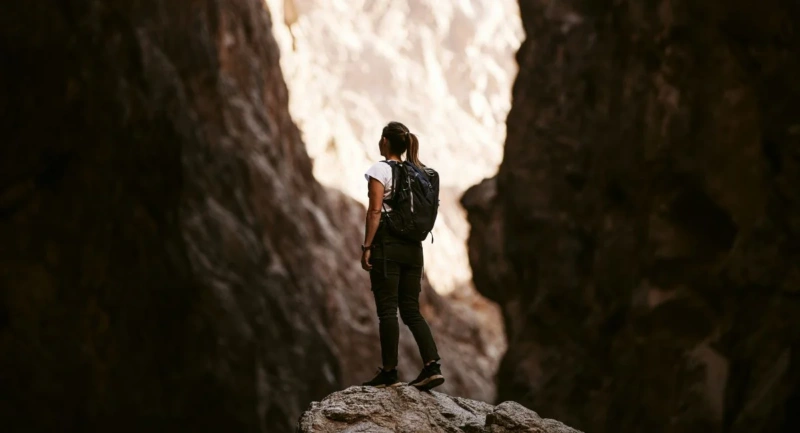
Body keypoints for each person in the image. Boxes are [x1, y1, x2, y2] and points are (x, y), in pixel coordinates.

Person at [360, 121, 444, 390]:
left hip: (387, 247)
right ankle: (432, 367)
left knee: (387, 311)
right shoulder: (418, 172)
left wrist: (366, 247)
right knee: (411, 311)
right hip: (414, 250)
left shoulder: (380, 170)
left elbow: (374, 212)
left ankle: (389, 372)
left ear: (385, 141)